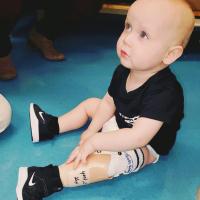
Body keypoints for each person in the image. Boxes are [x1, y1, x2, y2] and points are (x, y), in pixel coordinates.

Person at [16, 0, 195, 199]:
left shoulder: (166, 92)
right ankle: (52, 125)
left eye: (143, 34)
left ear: (170, 54)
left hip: (146, 145)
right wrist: (92, 130)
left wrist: (95, 142)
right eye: (128, 27)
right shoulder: (124, 70)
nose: (127, 39)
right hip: (121, 122)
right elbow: (109, 102)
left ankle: (48, 179)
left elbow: (138, 137)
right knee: (93, 104)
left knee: (116, 163)